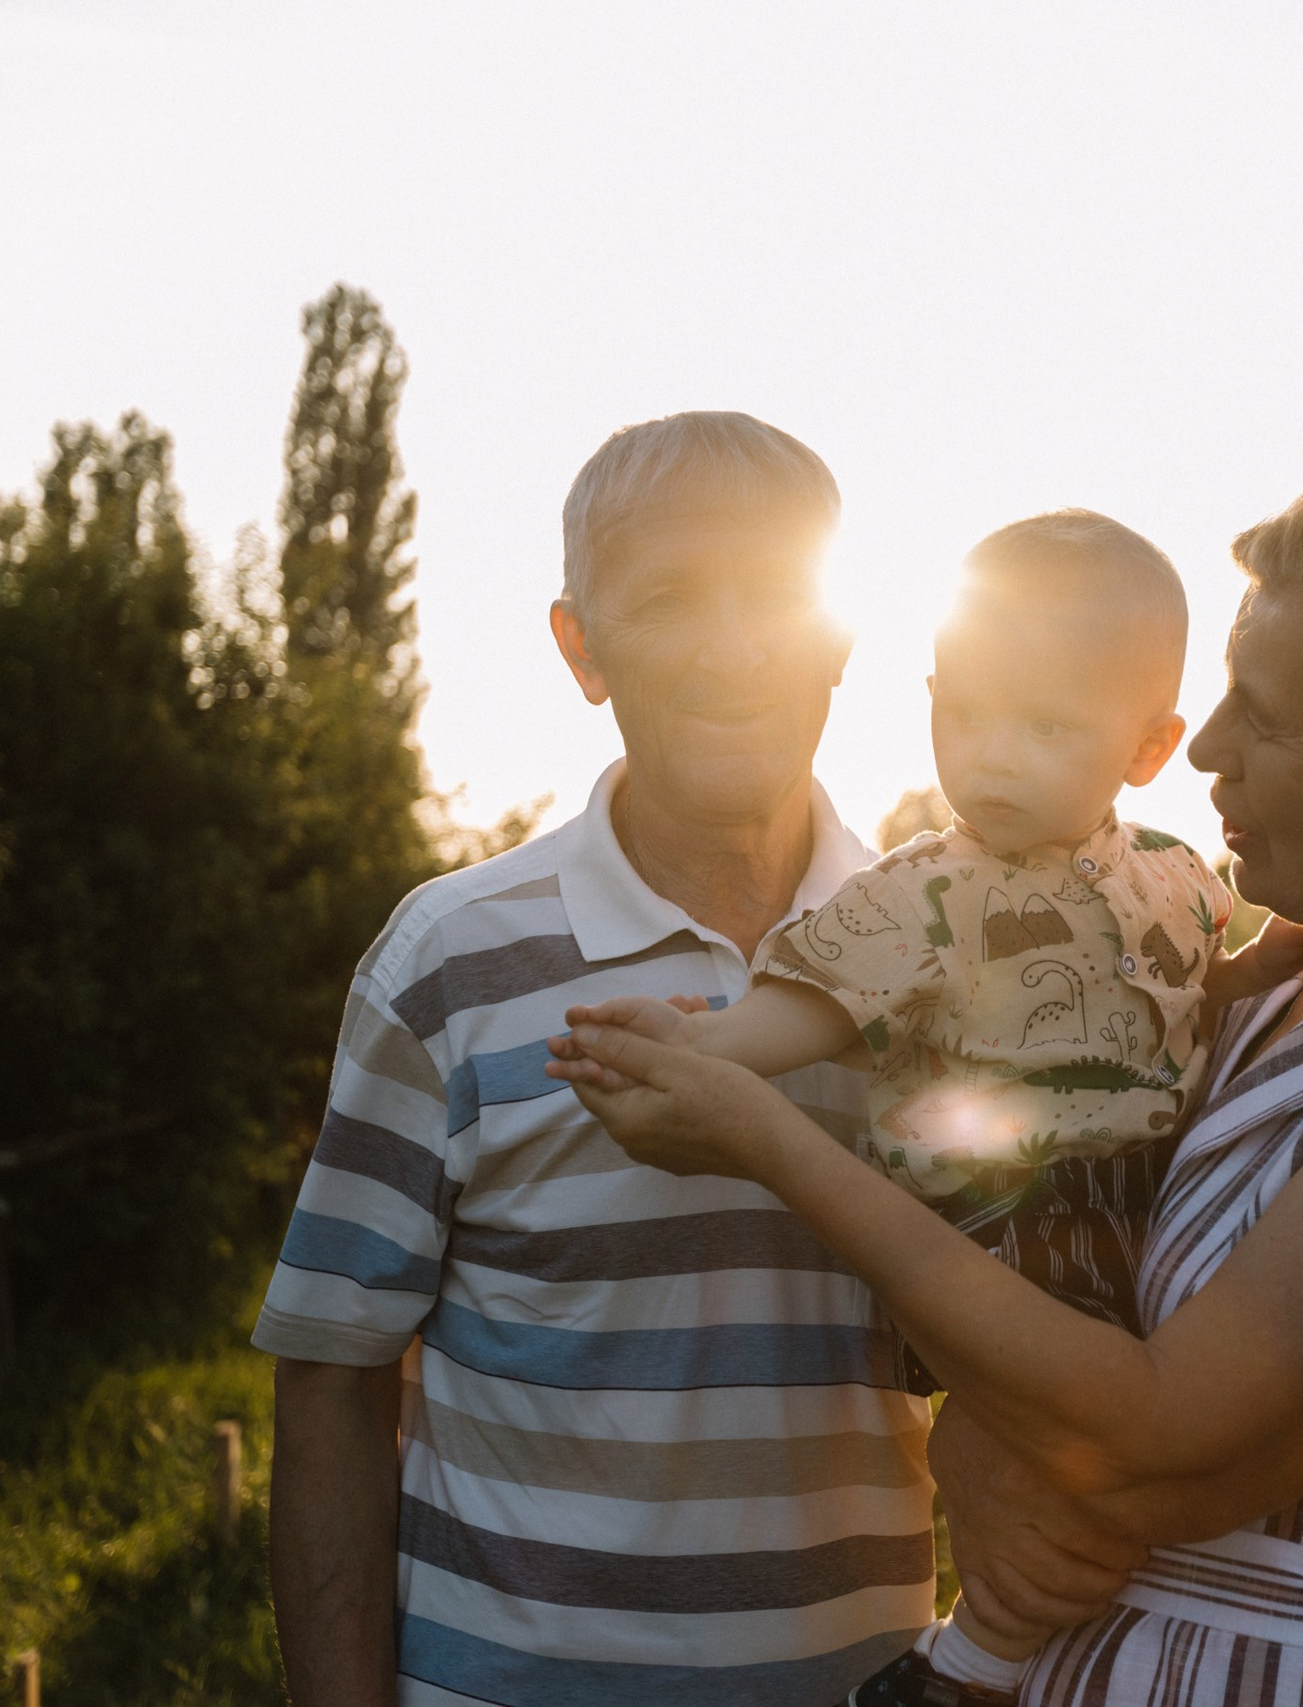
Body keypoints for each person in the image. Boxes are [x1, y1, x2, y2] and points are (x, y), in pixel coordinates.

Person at [548, 434, 1303, 1706]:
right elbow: (1061, 1272)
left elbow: (1142, 1434)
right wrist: (972, 1439)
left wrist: (769, 1139)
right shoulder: (1255, 992)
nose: (1205, 753)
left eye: (1270, 716)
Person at [549, 511, 1303, 1692]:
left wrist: (1291, 956)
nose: (993, 756)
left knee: (1172, 1443)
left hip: (1145, 1211)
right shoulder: (922, 891)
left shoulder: (1174, 873)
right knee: (1078, 1460)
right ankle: (966, 1667)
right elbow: (815, 1005)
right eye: (965, 715)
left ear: (1148, 746)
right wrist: (702, 1050)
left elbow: (1203, 985)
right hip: (999, 1222)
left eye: (1045, 726)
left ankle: (1049, 1654)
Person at [254, 412, 938, 1707]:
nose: (734, 647)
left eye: (776, 596)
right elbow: (333, 1377)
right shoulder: (446, 956)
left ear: (843, 628)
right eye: (670, 596)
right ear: (582, 647)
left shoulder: (941, 954)